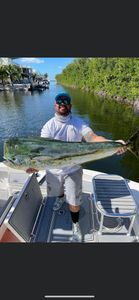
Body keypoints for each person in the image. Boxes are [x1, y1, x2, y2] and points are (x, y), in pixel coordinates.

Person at [39, 92, 126, 242]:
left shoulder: (79, 123)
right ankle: (60, 199)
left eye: (65, 103)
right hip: (53, 169)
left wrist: (114, 143)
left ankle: (75, 224)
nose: (62, 105)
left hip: (73, 169)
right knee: (58, 191)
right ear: (55, 105)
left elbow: (92, 138)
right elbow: (42, 148)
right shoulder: (48, 126)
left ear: (70, 106)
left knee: (74, 202)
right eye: (59, 103)